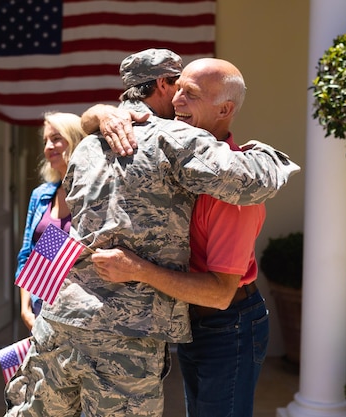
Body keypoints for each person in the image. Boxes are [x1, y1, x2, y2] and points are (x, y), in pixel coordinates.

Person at [4, 49, 299, 417]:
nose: (179, 99)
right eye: (179, 86)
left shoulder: (87, 146)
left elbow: (59, 226)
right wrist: (267, 154)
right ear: (163, 84)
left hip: (60, 320)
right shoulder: (175, 139)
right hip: (125, 333)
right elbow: (250, 181)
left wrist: (36, 300)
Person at [90, 57, 268, 417]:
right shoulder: (175, 154)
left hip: (225, 323)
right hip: (194, 320)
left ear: (225, 109)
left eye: (192, 94)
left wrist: (136, 269)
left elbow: (220, 293)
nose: (176, 102)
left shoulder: (232, 189)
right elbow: (83, 124)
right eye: (178, 89)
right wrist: (103, 115)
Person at [16, 112, 86, 332]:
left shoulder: (93, 194)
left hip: (81, 313)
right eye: (45, 141)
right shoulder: (41, 195)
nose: (48, 147)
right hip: (41, 308)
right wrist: (25, 308)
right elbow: (28, 253)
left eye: (56, 138)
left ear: (75, 140)